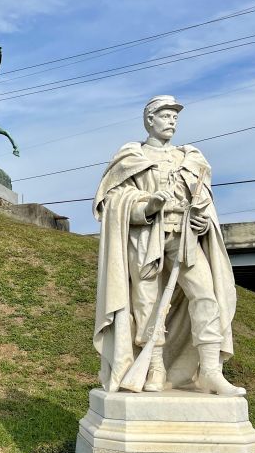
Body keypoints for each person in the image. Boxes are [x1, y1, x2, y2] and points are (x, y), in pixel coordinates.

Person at [92, 95, 245, 396]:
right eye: (165, 116)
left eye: (175, 117)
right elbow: (111, 202)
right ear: (150, 120)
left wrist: (203, 222)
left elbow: (204, 204)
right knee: (147, 306)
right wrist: (146, 206)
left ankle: (211, 370)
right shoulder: (131, 156)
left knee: (206, 296)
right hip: (147, 240)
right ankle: (155, 367)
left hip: (185, 239)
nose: (172, 121)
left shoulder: (191, 159)